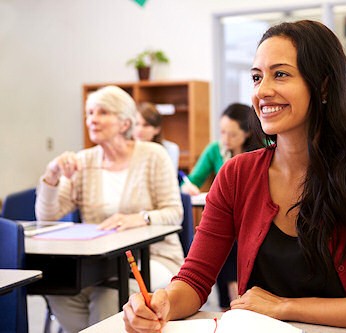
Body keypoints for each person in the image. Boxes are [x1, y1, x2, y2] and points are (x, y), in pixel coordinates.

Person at [123, 20, 346, 333]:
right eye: (256, 77)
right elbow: (195, 281)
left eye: (280, 74)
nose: (262, 91)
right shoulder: (236, 174)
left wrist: (283, 307)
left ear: (322, 85)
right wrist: (164, 303)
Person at [35, 85, 184, 333]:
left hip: (152, 258)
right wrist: (52, 175)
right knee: (60, 291)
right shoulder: (83, 161)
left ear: (125, 122)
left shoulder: (153, 155)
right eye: (90, 112)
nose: (92, 119)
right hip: (97, 264)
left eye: (102, 112)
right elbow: (46, 217)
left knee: (110, 297)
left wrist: (139, 218)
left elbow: (174, 212)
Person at [181, 102, 260, 310]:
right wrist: (188, 187)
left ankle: (236, 300)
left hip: (253, 220)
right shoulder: (215, 150)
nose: (225, 139)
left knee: (235, 239)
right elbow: (191, 181)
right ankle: (233, 302)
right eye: (222, 132)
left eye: (232, 134)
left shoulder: (264, 149)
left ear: (248, 133)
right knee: (223, 239)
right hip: (228, 219)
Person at [133, 102, 180, 172]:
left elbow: (169, 178)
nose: (140, 129)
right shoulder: (125, 149)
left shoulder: (170, 149)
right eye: (136, 124)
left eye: (146, 125)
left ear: (157, 129)